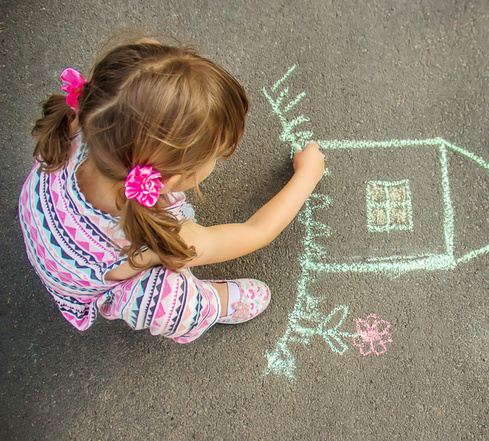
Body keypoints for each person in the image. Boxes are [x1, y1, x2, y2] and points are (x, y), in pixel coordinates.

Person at [18, 37, 324, 343]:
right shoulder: (158, 237)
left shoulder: (92, 121)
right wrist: (307, 176)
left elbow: (135, 68)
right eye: (214, 156)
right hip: (83, 279)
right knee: (171, 300)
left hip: (45, 218)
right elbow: (256, 231)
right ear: (169, 180)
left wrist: (161, 68)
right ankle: (214, 303)